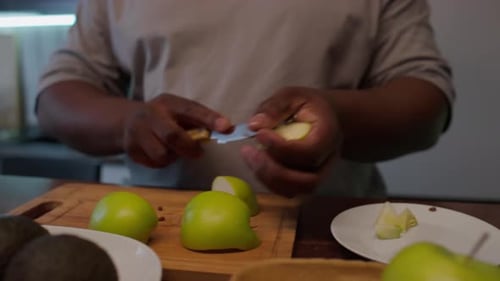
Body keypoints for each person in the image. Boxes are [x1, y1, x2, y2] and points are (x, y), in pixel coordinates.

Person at [36, 0, 454, 198]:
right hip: (163, 236)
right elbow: (58, 95)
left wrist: (340, 121)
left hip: (332, 233)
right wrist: (129, 122)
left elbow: (425, 99)